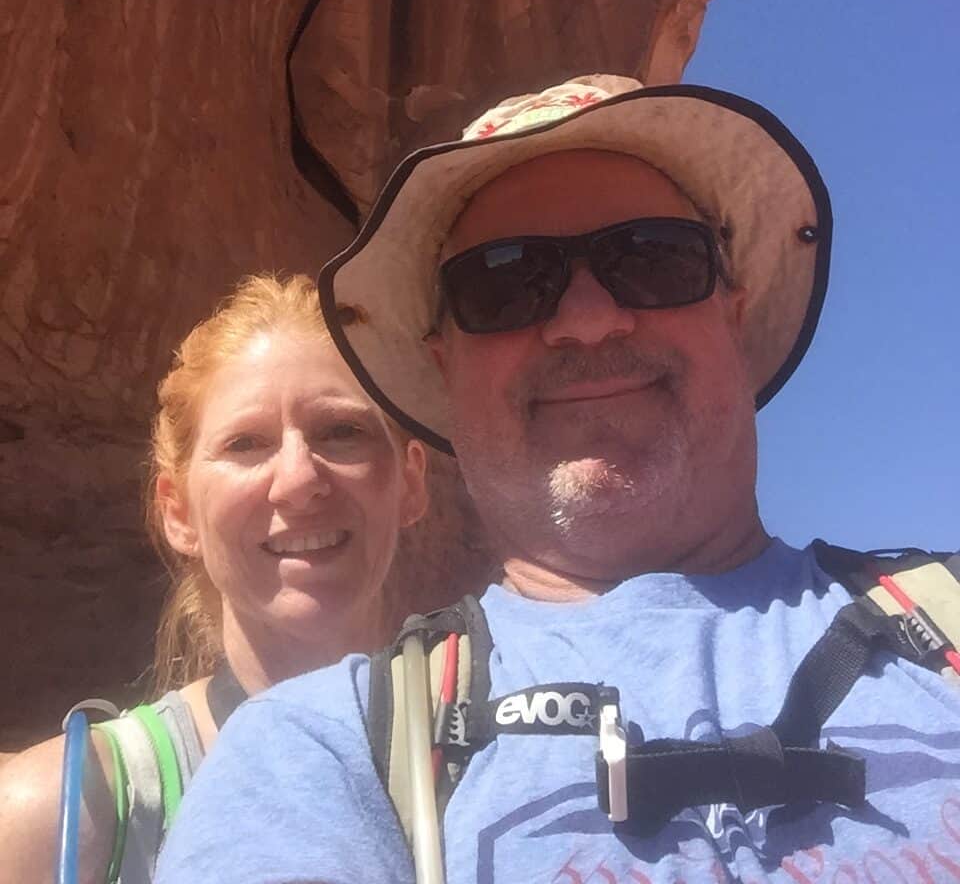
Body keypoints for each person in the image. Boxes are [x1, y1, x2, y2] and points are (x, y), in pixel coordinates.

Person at [155, 78, 960, 884]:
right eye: (504, 282)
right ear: (446, 363)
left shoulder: (944, 622)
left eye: (652, 258)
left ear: (734, 313)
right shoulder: (321, 754)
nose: (586, 319)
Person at [0, 273, 427, 884]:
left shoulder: (501, 761)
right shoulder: (70, 814)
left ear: (411, 482)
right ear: (178, 511)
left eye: (342, 431)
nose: (299, 479)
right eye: (246, 444)